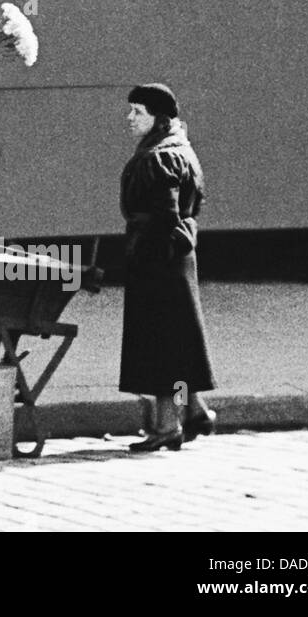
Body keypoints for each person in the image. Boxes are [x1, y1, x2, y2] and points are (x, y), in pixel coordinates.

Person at [119, 84, 217, 452]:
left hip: (158, 260)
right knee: (177, 341)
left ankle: (165, 426)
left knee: (158, 342)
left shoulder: (158, 157)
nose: (129, 118)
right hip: (177, 259)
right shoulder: (181, 149)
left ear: (158, 118)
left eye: (137, 112)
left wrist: (147, 253)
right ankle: (194, 412)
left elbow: (165, 216)